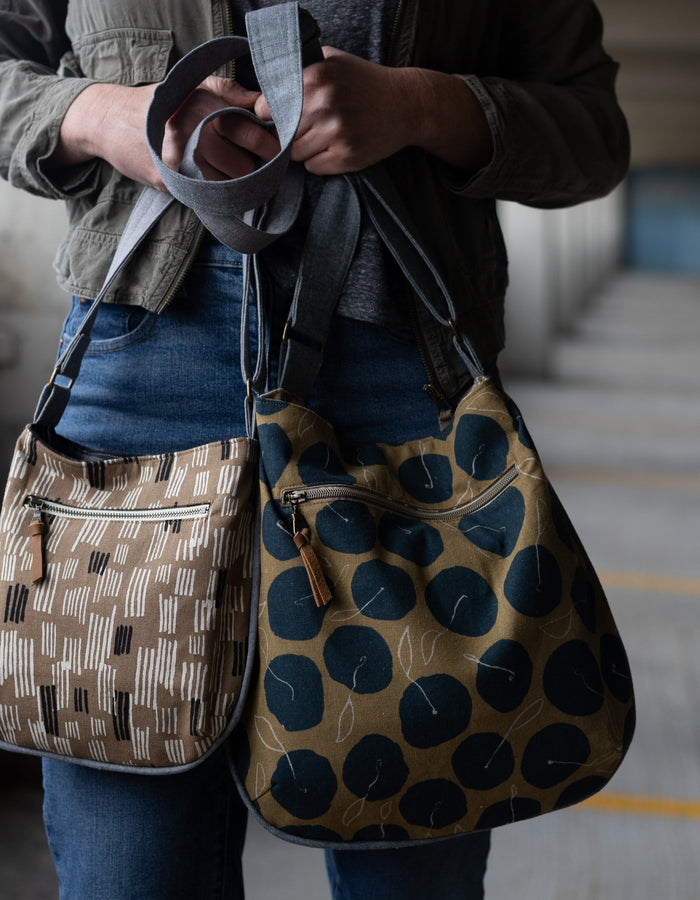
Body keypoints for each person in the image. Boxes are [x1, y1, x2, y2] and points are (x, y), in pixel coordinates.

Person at [0, 1, 629, 897]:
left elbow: (593, 132)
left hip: (399, 393)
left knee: (409, 865)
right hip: (138, 380)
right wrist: (99, 116)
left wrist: (420, 106)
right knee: (127, 875)